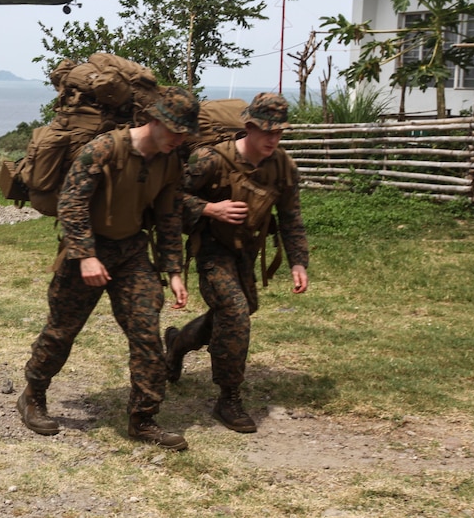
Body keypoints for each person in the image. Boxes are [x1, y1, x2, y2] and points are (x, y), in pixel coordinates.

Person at [18, 86, 199, 451]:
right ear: (153, 120)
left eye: (185, 134)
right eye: (174, 131)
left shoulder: (169, 162)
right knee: (62, 331)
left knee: (146, 332)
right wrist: (85, 255)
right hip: (85, 249)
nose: (179, 139)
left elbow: (167, 218)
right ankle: (33, 394)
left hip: (131, 252)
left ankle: (143, 417)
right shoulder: (104, 148)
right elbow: (72, 202)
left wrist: (174, 271)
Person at [167, 92, 309, 434]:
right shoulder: (210, 159)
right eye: (267, 132)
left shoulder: (282, 165)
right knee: (235, 312)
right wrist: (210, 209)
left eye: (279, 133)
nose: (273, 139)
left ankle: (175, 346)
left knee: (232, 313)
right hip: (212, 248)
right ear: (249, 127)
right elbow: (171, 199)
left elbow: (290, 216)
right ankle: (228, 397)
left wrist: (298, 262)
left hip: (246, 250)